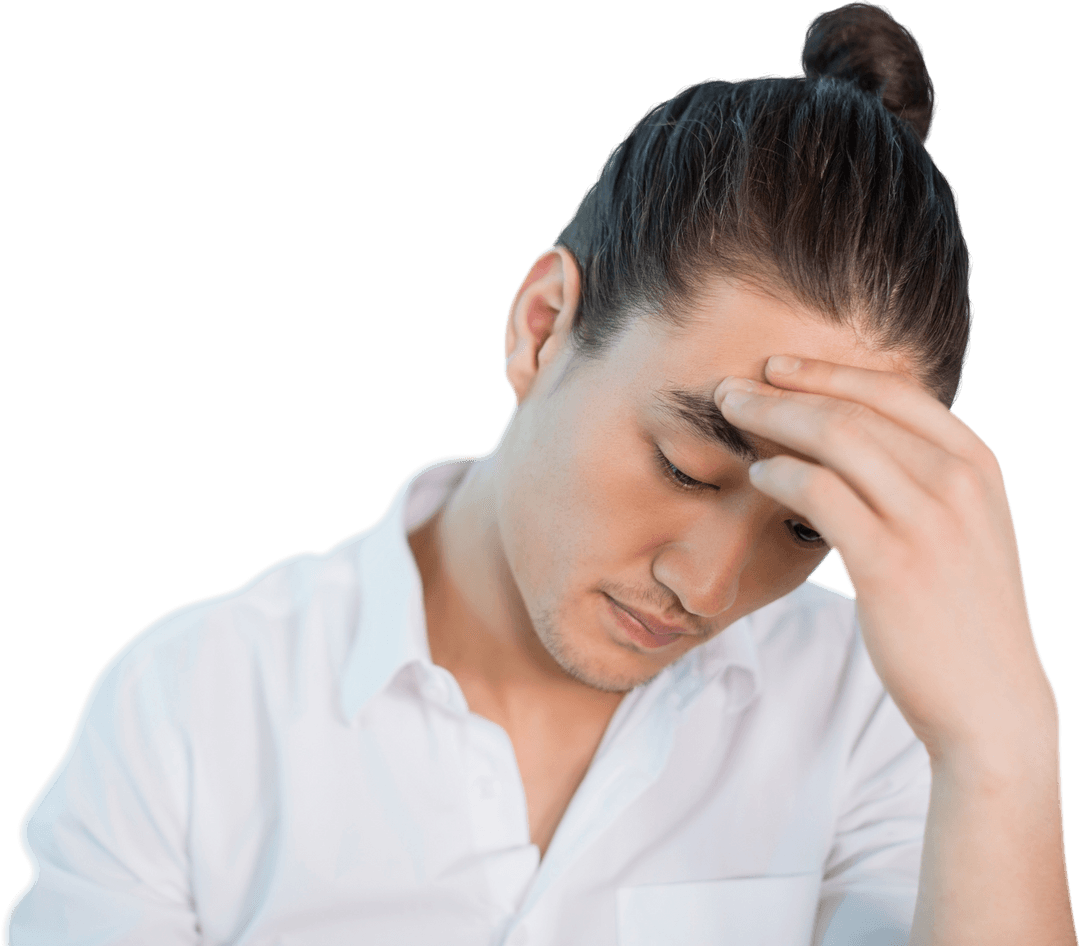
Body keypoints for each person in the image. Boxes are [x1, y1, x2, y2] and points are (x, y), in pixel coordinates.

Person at [4, 2, 1074, 944]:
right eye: (689, 468)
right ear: (543, 324)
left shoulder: (873, 712)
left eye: (803, 526)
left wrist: (1004, 748)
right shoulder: (189, 711)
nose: (704, 589)